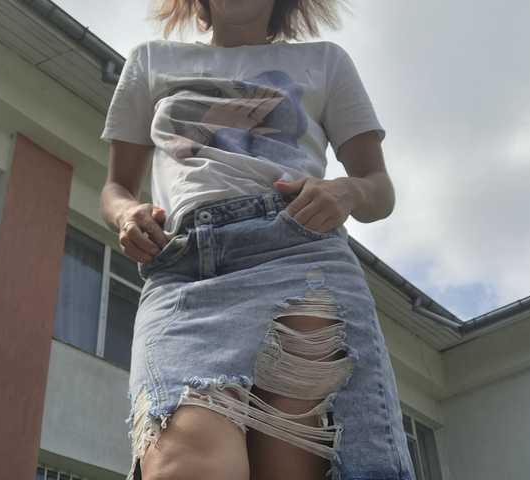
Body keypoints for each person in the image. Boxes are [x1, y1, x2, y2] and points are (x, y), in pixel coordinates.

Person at [99, 1, 416, 479]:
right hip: (184, 274)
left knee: (293, 466)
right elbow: (115, 187)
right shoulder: (150, 60)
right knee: (183, 463)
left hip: (298, 258)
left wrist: (347, 191)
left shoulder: (326, 61)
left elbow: (378, 188)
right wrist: (126, 213)